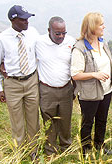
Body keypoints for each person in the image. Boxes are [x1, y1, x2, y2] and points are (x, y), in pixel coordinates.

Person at [0, 5, 39, 161]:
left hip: (32, 80)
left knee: (33, 119)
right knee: (17, 121)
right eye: (23, 19)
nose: (27, 21)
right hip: (12, 84)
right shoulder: (2, 39)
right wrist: (0, 88)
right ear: (13, 20)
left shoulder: (32, 33)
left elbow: (41, 52)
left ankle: (33, 150)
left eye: (27, 18)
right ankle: (19, 151)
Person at [71, 12, 112, 155]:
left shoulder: (102, 43)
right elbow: (75, 74)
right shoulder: (80, 47)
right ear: (92, 26)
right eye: (101, 24)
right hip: (89, 93)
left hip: (106, 90)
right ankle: (85, 150)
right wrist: (94, 74)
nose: (104, 26)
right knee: (87, 122)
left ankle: (99, 145)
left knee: (102, 119)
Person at [35, 16, 76, 156]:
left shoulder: (71, 41)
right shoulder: (39, 42)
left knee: (65, 120)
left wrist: (75, 87)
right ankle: (50, 150)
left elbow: (75, 65)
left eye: (63, 32)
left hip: (66, 88)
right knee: (49, 122)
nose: (61, 36)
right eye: (57, 33)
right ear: (49, 31)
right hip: (47, 89)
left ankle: (66, 147)